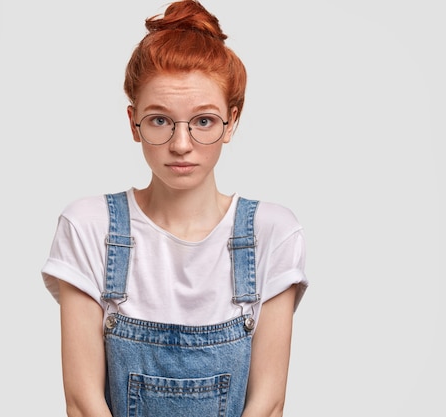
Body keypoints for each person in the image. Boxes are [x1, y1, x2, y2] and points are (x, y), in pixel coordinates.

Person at [41, 1, 308, 416]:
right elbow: (82, 404)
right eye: (160, 120)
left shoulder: (271, 233)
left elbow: (268, 405)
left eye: (203, 121)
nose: (181, 144)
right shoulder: (89, 227)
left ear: (231, 122)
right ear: (133, 123)